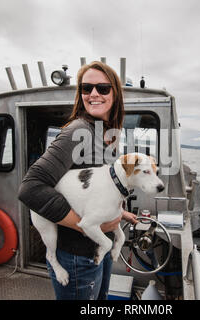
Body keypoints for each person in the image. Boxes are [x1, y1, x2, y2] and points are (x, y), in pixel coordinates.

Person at [18, 61, 137, 300]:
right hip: (77, 255)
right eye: (87, 88)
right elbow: (30, 189)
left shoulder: (106, 135)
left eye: (103, 88)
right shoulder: (77, 131)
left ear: (115, 93)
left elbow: (93, 190)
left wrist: (120, 214)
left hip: (99, 248)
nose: (94, 93)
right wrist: (85, 225)